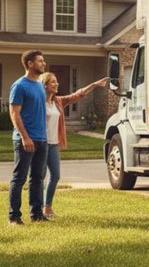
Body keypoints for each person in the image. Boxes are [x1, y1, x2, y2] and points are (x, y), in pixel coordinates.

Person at [39, 73, 109, 218]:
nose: (57, 84)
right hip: (41, 144)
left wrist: (94, 85)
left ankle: (47, 207)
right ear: (45, 85)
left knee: (55, 176)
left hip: (53, 144)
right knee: (40, 176)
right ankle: (36, 208)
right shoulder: (38, 102)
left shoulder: (58, 101)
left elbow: (77, 95)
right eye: (53, 82)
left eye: (56, 81)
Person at [8, 50, 49, 225]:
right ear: (30, 64)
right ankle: (14, 217)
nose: (43, 64)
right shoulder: (19, 86)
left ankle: (37, 214)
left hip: (41, 139)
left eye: (43, 61)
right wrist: (25, 137)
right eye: (40, 61)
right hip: (25, 140)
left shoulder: (40, 85)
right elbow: (14, 114)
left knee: (38, 178)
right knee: (19, 179)